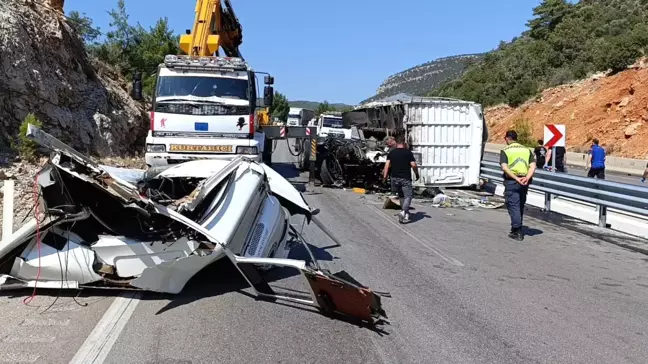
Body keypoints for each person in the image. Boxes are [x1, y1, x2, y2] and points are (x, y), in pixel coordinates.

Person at [500, 130, 536, 241]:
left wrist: (516, 178)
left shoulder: (505, 150)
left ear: (507, 138)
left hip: (512, 181)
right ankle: (515, 228)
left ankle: (517, 230)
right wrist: (527, 178)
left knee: (513, 205)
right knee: (520, 204)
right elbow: (533, 166)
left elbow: (504, 167)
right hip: (525, 181)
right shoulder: (527, 150)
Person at [383, 136, 419, 224]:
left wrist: (384, 177)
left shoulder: (392, 153)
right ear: (404, 142)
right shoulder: (408, 153)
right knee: (408, 196)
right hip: (405, 178)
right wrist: (417, 174)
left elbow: (387, 166)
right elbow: (413, 165)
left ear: (396, 142)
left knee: (401, 196)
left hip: (394, 178)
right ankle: (403, 212)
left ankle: (406, 214)